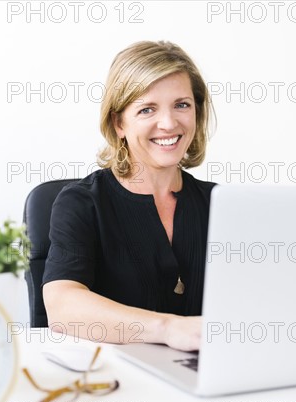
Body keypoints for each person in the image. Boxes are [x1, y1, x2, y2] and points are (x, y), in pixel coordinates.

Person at [42, 41, 216, 351]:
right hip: (119, 384)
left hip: (208, 380)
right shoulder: (82, 203)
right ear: (118, 122)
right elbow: (62, 307)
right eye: (147, 109)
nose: (169, 123)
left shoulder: (222, 204)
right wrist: (168, 328)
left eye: (182, 105)